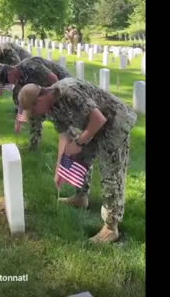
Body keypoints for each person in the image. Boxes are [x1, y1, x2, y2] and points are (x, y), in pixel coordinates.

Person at [17, 79, 137, 243]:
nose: (36, 115)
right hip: (93, 126)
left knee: (111, 174)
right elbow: (64, 137)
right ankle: (81, 197)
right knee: (79, 158)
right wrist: (60, 168)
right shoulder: (52, 107)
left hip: (114, 122)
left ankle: (111, 227)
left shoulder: (69, 91)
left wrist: (80, 142)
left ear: (40, 99)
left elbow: (99, 119)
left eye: (34, 110)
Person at [0, 57, 71, 150]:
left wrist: (57, 99)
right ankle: (34, 145)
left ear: (9, 73)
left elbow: (53, 78)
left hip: (62, 83)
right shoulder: (19, 82)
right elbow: (23, 103)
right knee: (33, 113)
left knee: (65, 115)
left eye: (7, 82)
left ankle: (76, 141)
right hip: (45, 90)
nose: (9, 84)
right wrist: (18, 122)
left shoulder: (30, 65)